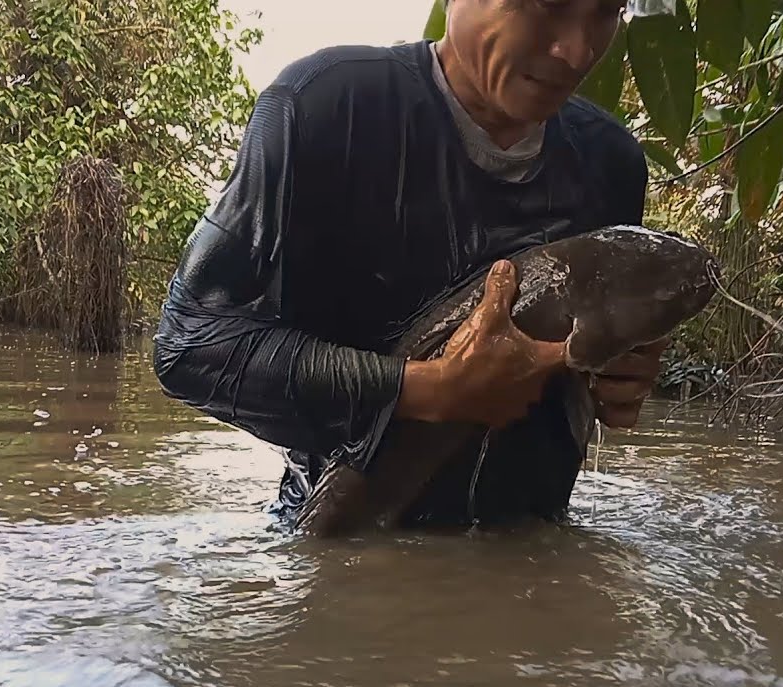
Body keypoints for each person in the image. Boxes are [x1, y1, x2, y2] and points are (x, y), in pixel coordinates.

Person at [152, 0, 668, 530]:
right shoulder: (324, 106)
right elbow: (189, 346)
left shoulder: (612, 164)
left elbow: (597, 378)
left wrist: (618, 378)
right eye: (546, 6)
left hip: (536, 552)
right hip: (342, 546)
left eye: (608, 12)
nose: (578, 49)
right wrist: (431, 389)